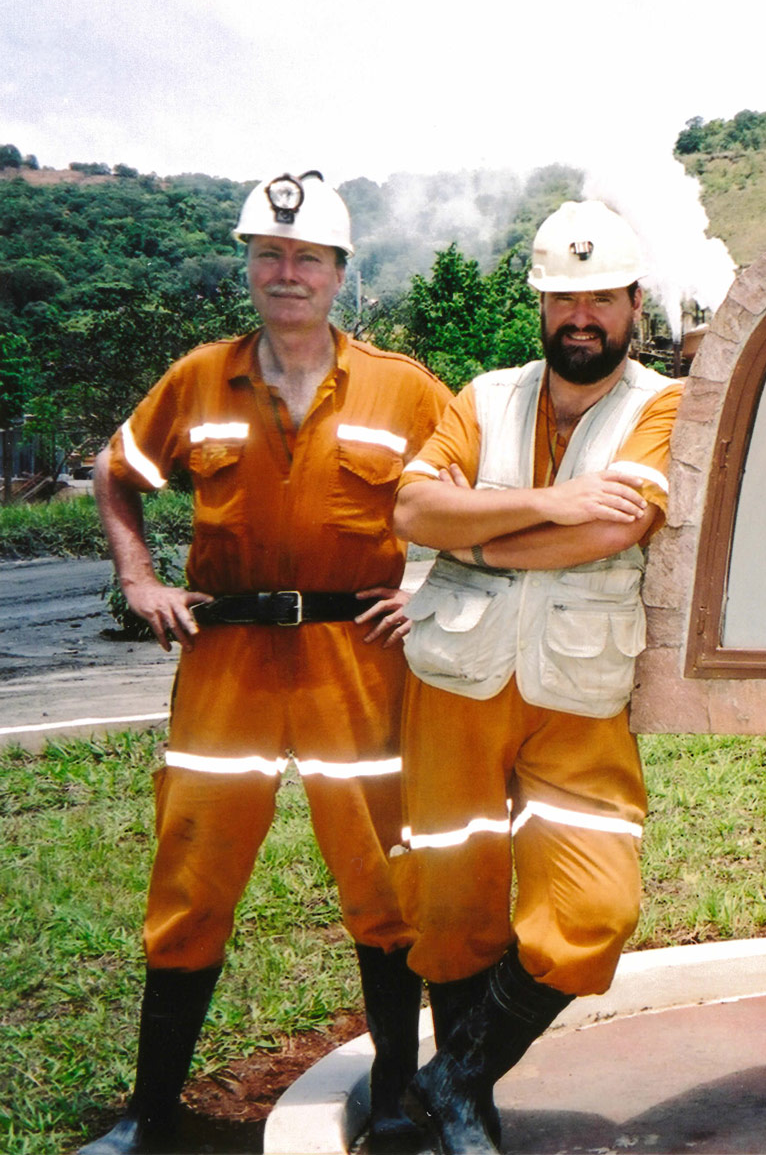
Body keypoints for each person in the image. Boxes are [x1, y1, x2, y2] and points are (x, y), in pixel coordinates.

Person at [84, 171, 451, 1154]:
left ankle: (392, 1097)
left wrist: (436, 587)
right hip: (228, 659)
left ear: (340, 273)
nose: (288, 272)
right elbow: (117, 471)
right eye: (270, 255)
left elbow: (479, 488)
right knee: (192, 871)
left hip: (354, 657)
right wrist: (138, 578)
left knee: (384, 874)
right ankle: (149, 1113)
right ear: (249, 265)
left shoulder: (403, 387)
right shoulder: (199, 379)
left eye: (308, 258)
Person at [390, 199, 683, 1154]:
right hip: (456, 678)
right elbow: (412, 512)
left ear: (635, 304)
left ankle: (453, 1075)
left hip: (578, 693)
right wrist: (555, 503)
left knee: (595, 906)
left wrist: (476, 533)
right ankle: (466, 1109)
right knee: (451, 901)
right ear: (542, 307)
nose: (581, 316)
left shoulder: (662, 405)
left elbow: (617, 527)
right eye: (564, 298)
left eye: (601, 298)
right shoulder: (483, 397)